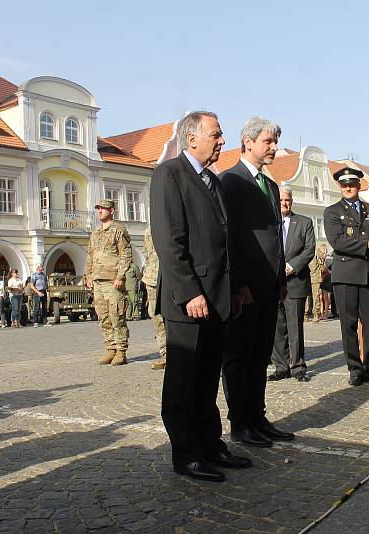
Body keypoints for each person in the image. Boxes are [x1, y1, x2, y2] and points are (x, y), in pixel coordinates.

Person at [151, 110, 251, 482]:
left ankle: (211, 444)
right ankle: (186, 453)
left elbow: (226, 242)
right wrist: (190, 291)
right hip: (188, 300)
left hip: (218, 298)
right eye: (217, 134)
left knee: (208, 378)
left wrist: (236, 287)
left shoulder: (212, 180)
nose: (223, 141)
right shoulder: (170, 174)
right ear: (192, 138)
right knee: (184, 380)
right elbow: (169, 240)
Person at [221, 116, 294, 448]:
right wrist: (237, 284)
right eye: (268, 141)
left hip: (269, 286)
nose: (274, 147)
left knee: (261, 355)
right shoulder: (231, 181)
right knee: (239, 356)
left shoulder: (272, 185)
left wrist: (279, 279)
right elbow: (231, 239)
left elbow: (274, 239)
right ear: (247, 142)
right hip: (245, 289)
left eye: (275, 142)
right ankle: (240, 422)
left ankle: (258, 416)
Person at [324, 167, 369, 386]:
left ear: (359, 186)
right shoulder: (332, 212)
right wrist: (368, 244)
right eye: (344, 185)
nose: (348, 188)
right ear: (339, 187)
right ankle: (355, 368)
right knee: (348, 325)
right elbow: (338, 242)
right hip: (345, 275)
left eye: (352, 184)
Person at [270, 187, 315, 383]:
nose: (284, 203)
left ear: (292, 201)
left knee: (295, 327)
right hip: (272, 282)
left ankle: (297, 366)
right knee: (276, 327)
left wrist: (290, 266)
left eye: (287, 200)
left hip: (294, 281)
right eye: (280, 200)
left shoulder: (304, 222)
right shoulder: (268, 223)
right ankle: (281, 366)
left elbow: (309, 250)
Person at [85, 199, 132, 366]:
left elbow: (125, 254)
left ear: (111, 210)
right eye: (98, 209)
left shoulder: (118, 230)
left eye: (103, 209)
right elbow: (90, 255)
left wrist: (120, 276)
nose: (100, 211)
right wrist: (88, 275)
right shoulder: (96, 232)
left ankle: (121, 351)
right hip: (98, 281)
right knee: (103, 317)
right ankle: (110, 348)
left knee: (116, 316)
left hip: (113, 281)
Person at [142, 226, 167, 370]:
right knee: (157, 318)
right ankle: (165, 354)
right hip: (152, 278)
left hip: (170, 275)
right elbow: (148, 253)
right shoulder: (149, 229)